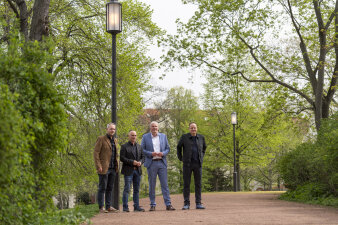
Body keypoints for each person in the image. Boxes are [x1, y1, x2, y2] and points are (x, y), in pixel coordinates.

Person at [141, 121, 175, 211]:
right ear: (150, 128)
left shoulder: (163, 136)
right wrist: (151, 153)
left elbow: (168, 148)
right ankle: (152, 204)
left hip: (162, 163)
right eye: (152, 126)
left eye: (156, 126)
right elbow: (142, 149)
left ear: (158, 128)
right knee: (152, 185)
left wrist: (163, 153)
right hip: (151, 163)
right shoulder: (145, 137)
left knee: (165, 185)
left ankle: (168, 204)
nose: (154, 128)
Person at [177, 122, 207, 210]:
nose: (193, 129)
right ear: (189, 129)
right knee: (186, 184)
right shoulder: (184, 137)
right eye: (191, 128)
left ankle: (198, 203)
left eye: (194, 128)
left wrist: (201, 157)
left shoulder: (201, 137)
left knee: (198, 184)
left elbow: (204, 148)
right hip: (187, 164)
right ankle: (186, 203)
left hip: (198, 164)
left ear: (197, 128)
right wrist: (181, 158)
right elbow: (179, 147)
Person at [93, 123, 119, 213]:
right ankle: (101, 207)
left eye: (114, 129)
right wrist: (98, 166)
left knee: (110, 188)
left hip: (113, 168)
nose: (112, 130)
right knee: (102, 188)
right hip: (104, 168)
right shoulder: (101, 139)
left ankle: (108, 206)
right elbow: (96, 153)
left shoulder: (115, 140)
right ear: (107, 129)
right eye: (111, 129)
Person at [120, 130, 145, 212]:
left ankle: (136, 207)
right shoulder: (124, 146)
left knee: (136, 190)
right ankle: (125, 207)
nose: (134, 137)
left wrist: (141, 162)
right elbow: (122, 158)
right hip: (128, 171)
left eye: (135, 135)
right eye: (132, 135)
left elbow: (143, 157)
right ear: (129, 136)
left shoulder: (139, 146)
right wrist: (132, 162)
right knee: (127, 189)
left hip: (138, 171)